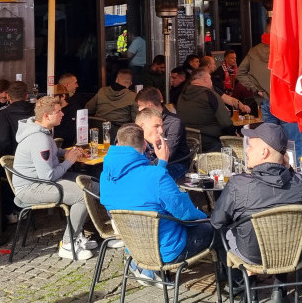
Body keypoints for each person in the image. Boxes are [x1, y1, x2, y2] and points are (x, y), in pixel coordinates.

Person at [209, 122, 302, 303]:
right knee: (285, 231)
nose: (246, 150)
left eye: (250, 145)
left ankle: (249, 293)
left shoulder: (238, 185)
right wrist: (289, 170)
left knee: (224, 229)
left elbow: (217, 221)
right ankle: (280, 290)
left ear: (265, 152)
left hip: (251, 255)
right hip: (291, 253)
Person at [100, 123, 211, 282]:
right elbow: (187, 216)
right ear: (145, 145)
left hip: (135, 248)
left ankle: (144, 268)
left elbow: (138, 195)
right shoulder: (156, 177)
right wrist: (207, 218)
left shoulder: (106, 176)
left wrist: (161, 165)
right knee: (218, 229)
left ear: (117, 144)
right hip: (166, 251)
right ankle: (234, 285)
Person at [13, 96, 95, 261]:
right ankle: (68, 244)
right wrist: (69, 161)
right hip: (32, 188)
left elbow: (54, 152)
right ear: (46, 116)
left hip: (40, 182)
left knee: (91, 184)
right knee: (83, 194)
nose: (63, 114)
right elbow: (48, 176)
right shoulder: (39, 138)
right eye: (58, 111)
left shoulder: (42, 131)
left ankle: (77, 234)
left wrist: (69, 152)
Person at [237, 25, 302, 159]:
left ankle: (273, 169)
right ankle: (295, 172)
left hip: (267, 100)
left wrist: (256, 89)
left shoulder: (254, 51)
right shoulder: (288, 49)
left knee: (271, 141)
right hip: (287, 101)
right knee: (292, 142)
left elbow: (240, 73)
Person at [135, 89, 191, 177]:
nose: (138, 109)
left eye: (140, 106)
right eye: (157, 126)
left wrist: (146, 167)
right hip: (150, 162)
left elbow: (168, 153)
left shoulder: (174, 122)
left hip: (175, 164)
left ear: (149, 105)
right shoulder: (145, 120)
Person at [176, 67, 233, 152]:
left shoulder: (181, 95)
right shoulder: (209, 95)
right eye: (210, 79)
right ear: (206, 79)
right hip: (211, 144)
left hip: (187, 143)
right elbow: (226, 123)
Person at [0, 81, 34, 157]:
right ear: (26, 96)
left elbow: (4, 142)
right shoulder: (37, 109)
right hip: (36, 155)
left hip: (14, 159)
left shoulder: (4, 114)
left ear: (8, 96)